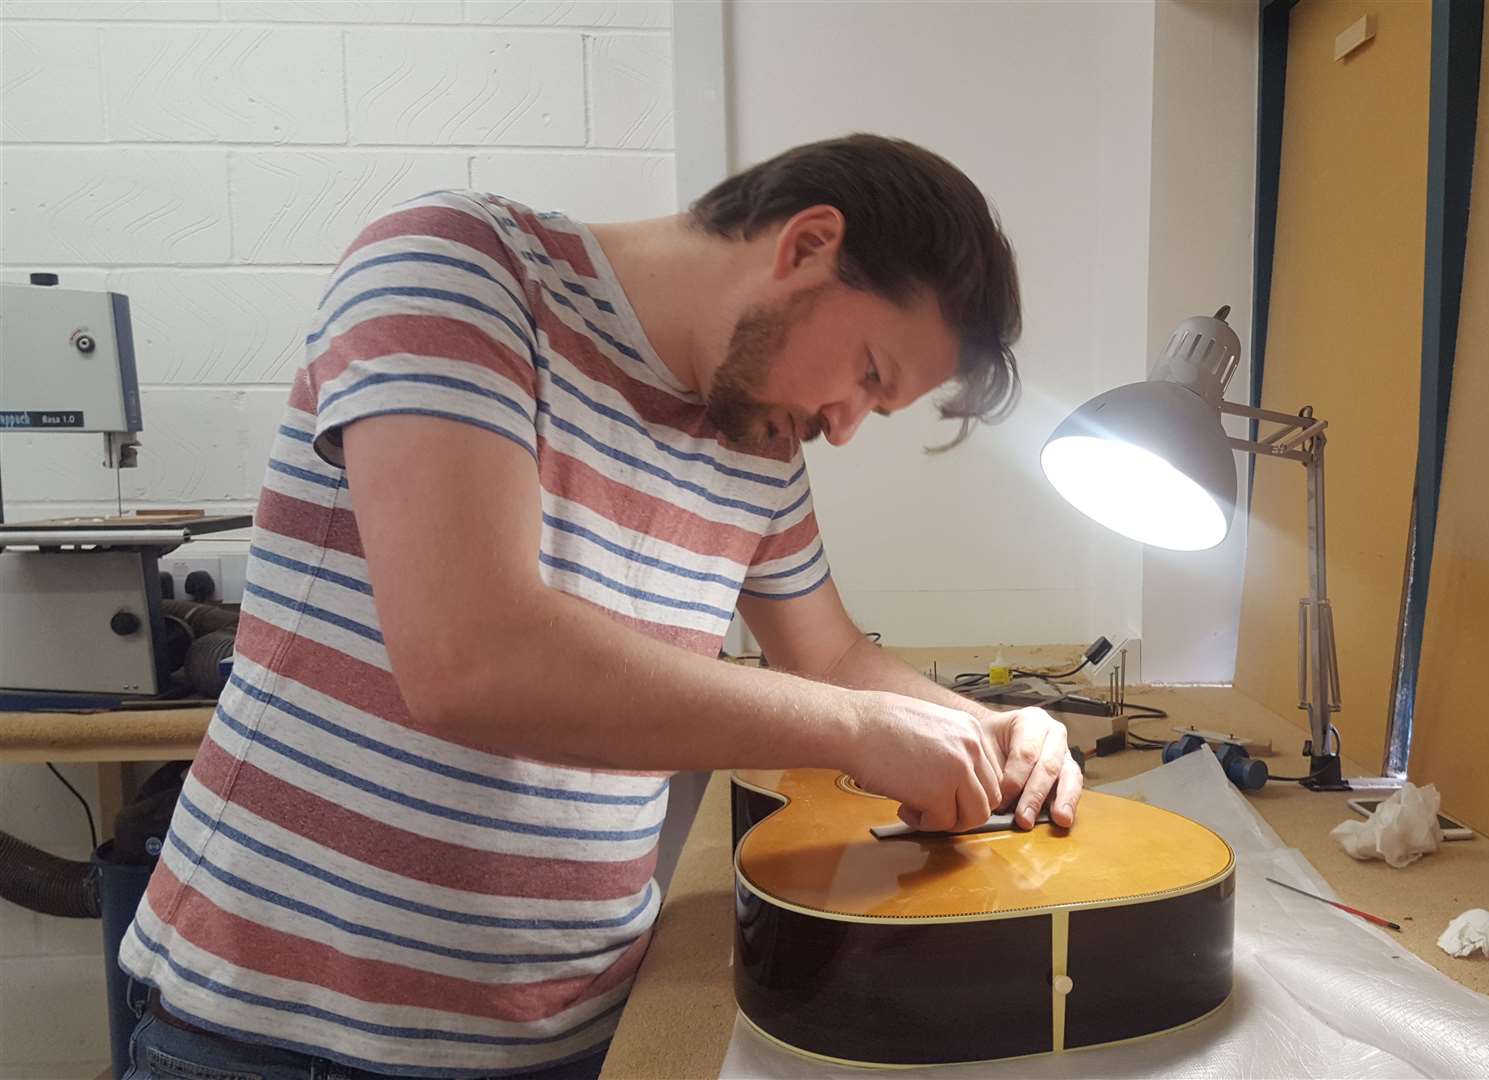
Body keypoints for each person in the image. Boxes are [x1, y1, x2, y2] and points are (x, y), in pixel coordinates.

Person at [118, 134, 1083, 1078]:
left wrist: (988, 728)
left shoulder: (758, 441)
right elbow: (475, 660)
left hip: (574, 1027)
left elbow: (826, 659)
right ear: (806, 246)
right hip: (280, 1036)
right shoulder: (456, 268)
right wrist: (862, 731)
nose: (844, 427)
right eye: (869, 374)